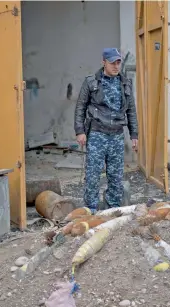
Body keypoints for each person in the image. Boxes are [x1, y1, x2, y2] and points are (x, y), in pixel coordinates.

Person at [74, 48, 138, 214]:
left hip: (116, 135)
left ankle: (112, 209)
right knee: (93, 175)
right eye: (112, 63)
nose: (116, 66)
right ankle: (91, 210)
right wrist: (79, 131)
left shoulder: (125, 83)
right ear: (104, 62)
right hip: (97, 134)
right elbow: (80, 106)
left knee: (116, 176)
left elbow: (131, 109)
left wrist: (134, 134)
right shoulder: (91, 82)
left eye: (118, 62)